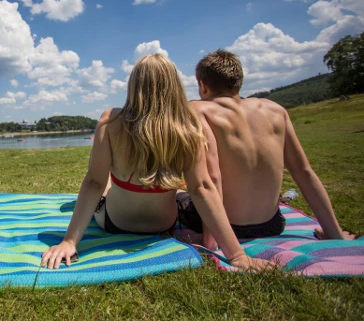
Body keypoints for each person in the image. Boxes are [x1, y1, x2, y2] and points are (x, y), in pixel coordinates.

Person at [41, 54, 271, 270]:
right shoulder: (189, 128)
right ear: (174, 86)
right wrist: (237, 255)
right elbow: (202, 188)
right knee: (181, 192)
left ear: (133, 85)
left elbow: (93, 182)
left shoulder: (111, 121)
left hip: (115, 222)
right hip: (164, 226)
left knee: (106, 185)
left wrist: (69, 242)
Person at [178, 49, 355, 249]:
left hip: (225, 227)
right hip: (272, 225)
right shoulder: (275, 110)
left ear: (203, 86)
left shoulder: (197, 110)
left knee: (178, 194)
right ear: (238, 81)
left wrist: (210, 240)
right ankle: (333, 232)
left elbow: (211, 178)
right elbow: (303, 172)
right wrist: (335, 233)